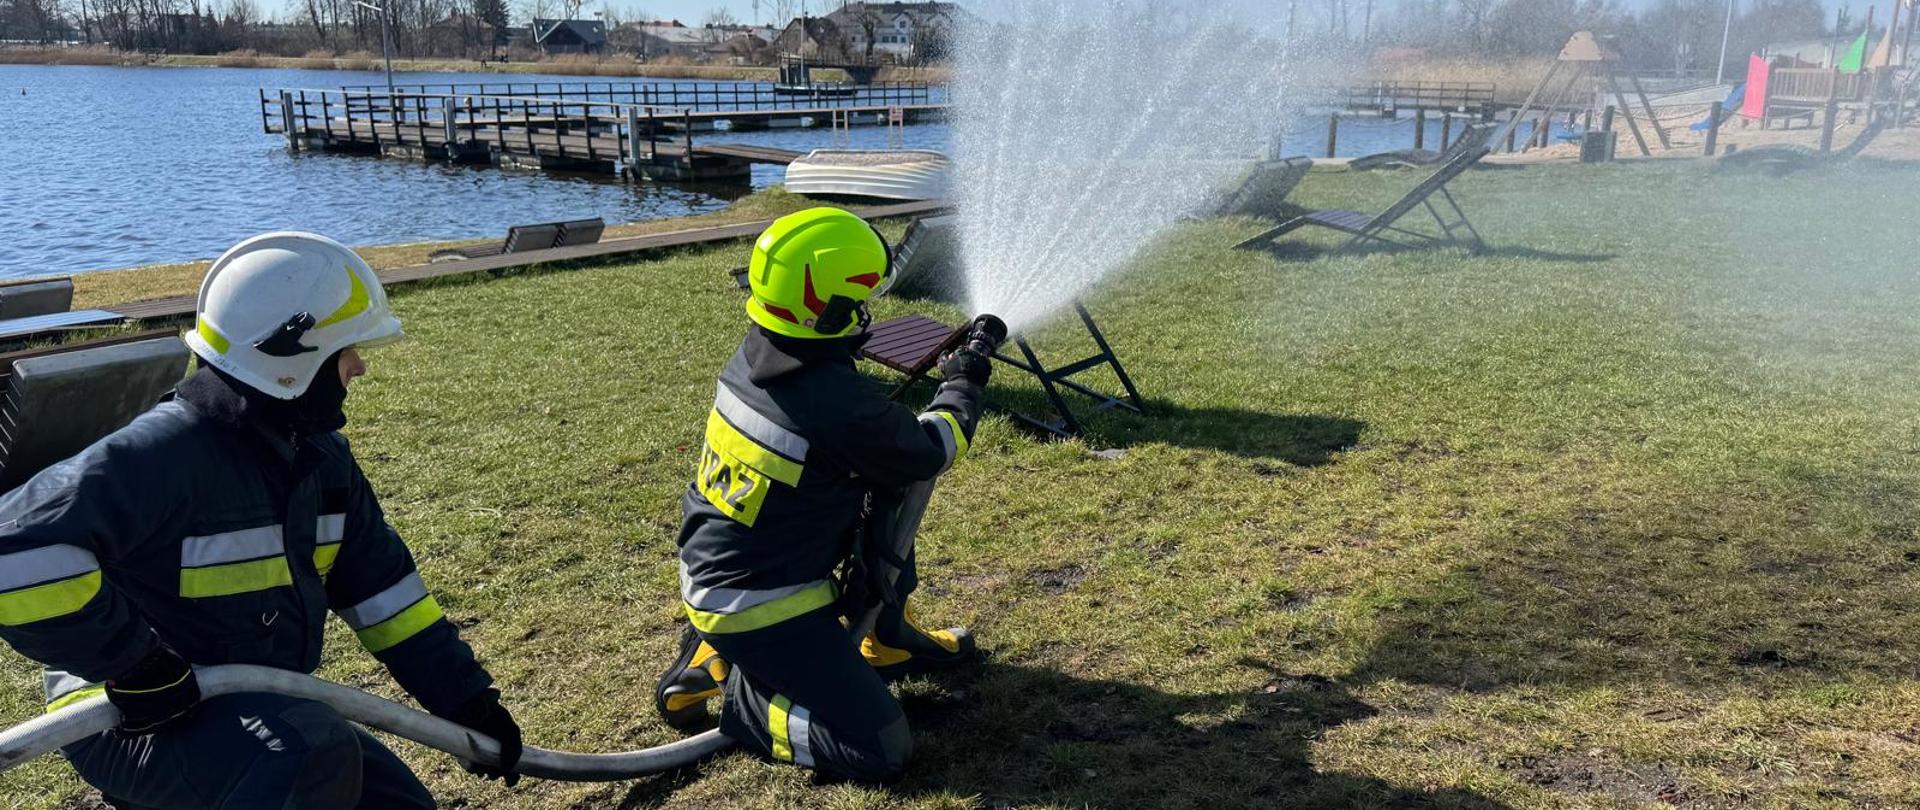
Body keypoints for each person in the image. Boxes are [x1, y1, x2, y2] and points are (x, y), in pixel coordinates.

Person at [0, 232, 522, 809]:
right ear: (289, 358)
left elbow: (388, 599)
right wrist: (134, 664)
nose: (360, 367)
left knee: (389, 799)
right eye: (346, 350)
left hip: (250, 707)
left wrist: (466, 703)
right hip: (126, 717)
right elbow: (11, 553)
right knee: (309, 754)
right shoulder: (162, 456)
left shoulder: (320, 462)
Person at [654, 207, 996, 783]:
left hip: (722, 568)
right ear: (829, 311)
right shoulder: (831, 403)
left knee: (883, 495)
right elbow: (929, 450)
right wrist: (962, 382)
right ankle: (744, 698)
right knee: (880, 748)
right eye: (857, 303)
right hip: (761, 605)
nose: (865, 314)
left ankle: (887, 640)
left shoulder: (758, 353)